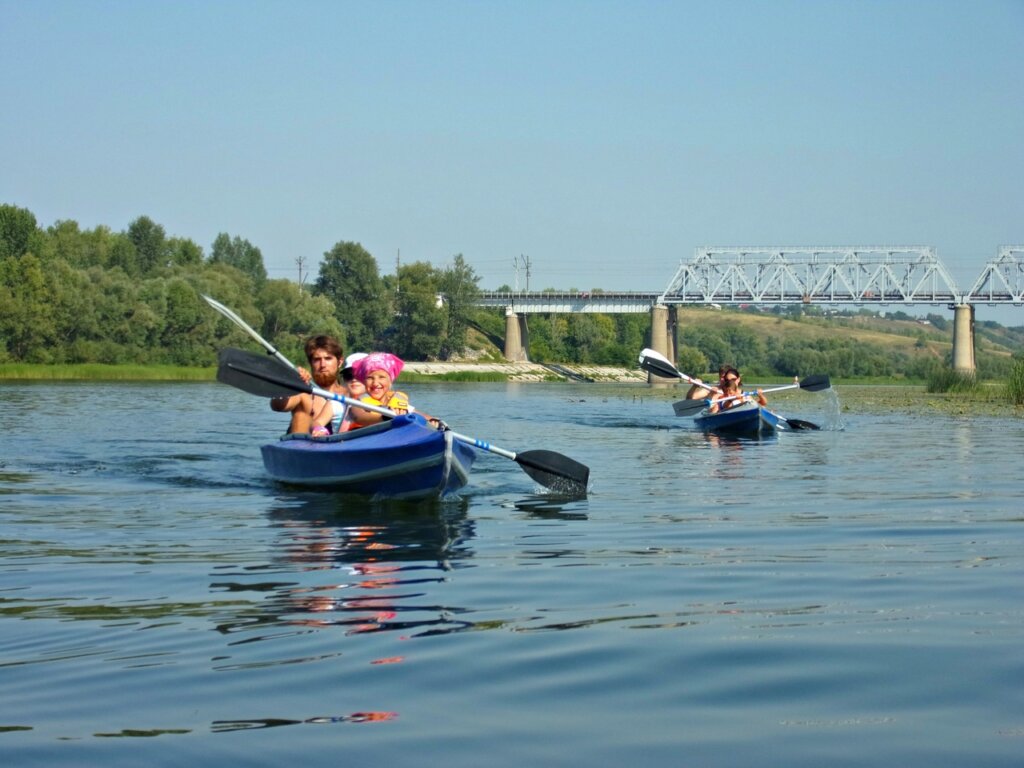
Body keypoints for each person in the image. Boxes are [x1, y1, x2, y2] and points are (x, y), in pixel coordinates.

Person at [270, 335, 345, 434]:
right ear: (310, 363)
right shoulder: (303, 392)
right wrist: (291, 380)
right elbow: (277, 406)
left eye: (328, 358)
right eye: (317, 360)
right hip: (303, 446)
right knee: (300, 416)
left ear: (340, 362)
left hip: (338, 446)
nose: (322, 365)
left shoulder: (349, 394)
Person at [349, 352, 441, 428]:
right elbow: (358, 417)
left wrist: (433, 421)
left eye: (382, 377)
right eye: (369, 378)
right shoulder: (358, 403)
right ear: (364, 381)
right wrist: (385, 417)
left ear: (390, 381)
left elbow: (422, 416)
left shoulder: (397, 402)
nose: (375, 383)